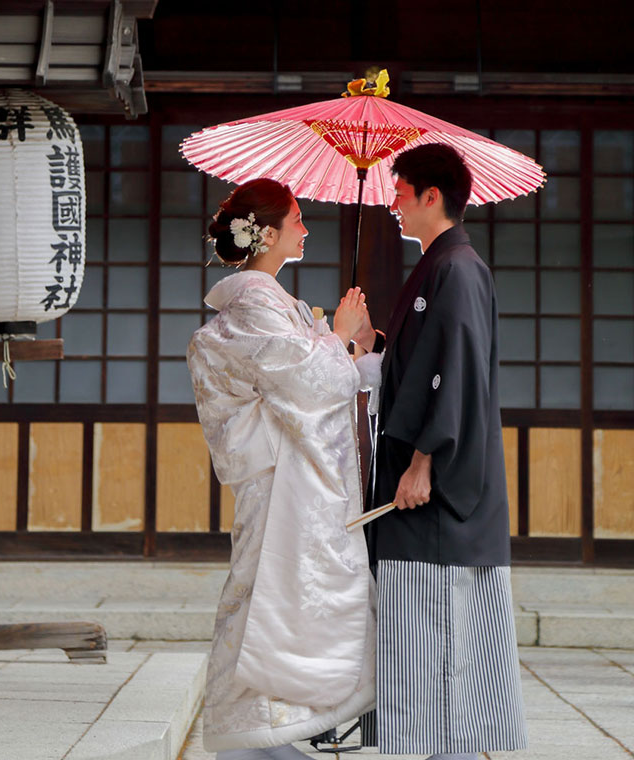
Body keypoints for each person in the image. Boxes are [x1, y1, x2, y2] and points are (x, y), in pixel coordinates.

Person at [187, 178, 382, 759]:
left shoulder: (276, 305)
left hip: (292, 482)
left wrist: (353, 345)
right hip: (279, 486)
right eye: (297, 219)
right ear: (266, 233)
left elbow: (316, 377)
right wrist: (339, 338)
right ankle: (253, 735)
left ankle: (283, 728)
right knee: (268, 601)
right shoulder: (252, 306)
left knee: (296, 601)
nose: (305, 228)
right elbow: (309, 382)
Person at [353, 143, 529, 760]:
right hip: (417, 489)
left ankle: (440, 753)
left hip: (437, 494)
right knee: (413, 640)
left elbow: (452, 373)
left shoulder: (457, 268)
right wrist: (368, 347)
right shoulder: (434, 267)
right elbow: (418, 369)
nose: (392, 204)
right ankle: (419, 750)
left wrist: (424, 460)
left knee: (439, 639)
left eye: (399, 192)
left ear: (433, 197)